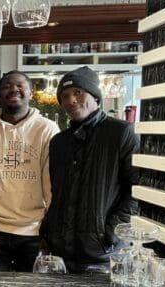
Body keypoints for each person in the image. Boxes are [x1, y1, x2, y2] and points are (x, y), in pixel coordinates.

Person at [42, 66, 140, 273]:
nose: (71, 100)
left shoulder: (121, 132)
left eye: (78, 92)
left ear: (95, 96)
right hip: (61, 253)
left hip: (104, 255)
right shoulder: (59, 142)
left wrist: (113, 230)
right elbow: (57, 193)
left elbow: (138, 191)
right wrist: (49, 232)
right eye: (65, 96)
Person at [0, 71, 60, 272]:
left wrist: (50, 233)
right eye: (7, 86)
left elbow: (52, 185)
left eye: (20, 86)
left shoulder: (47, 129)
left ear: (31, 92)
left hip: (34, 231)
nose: (13, 90)